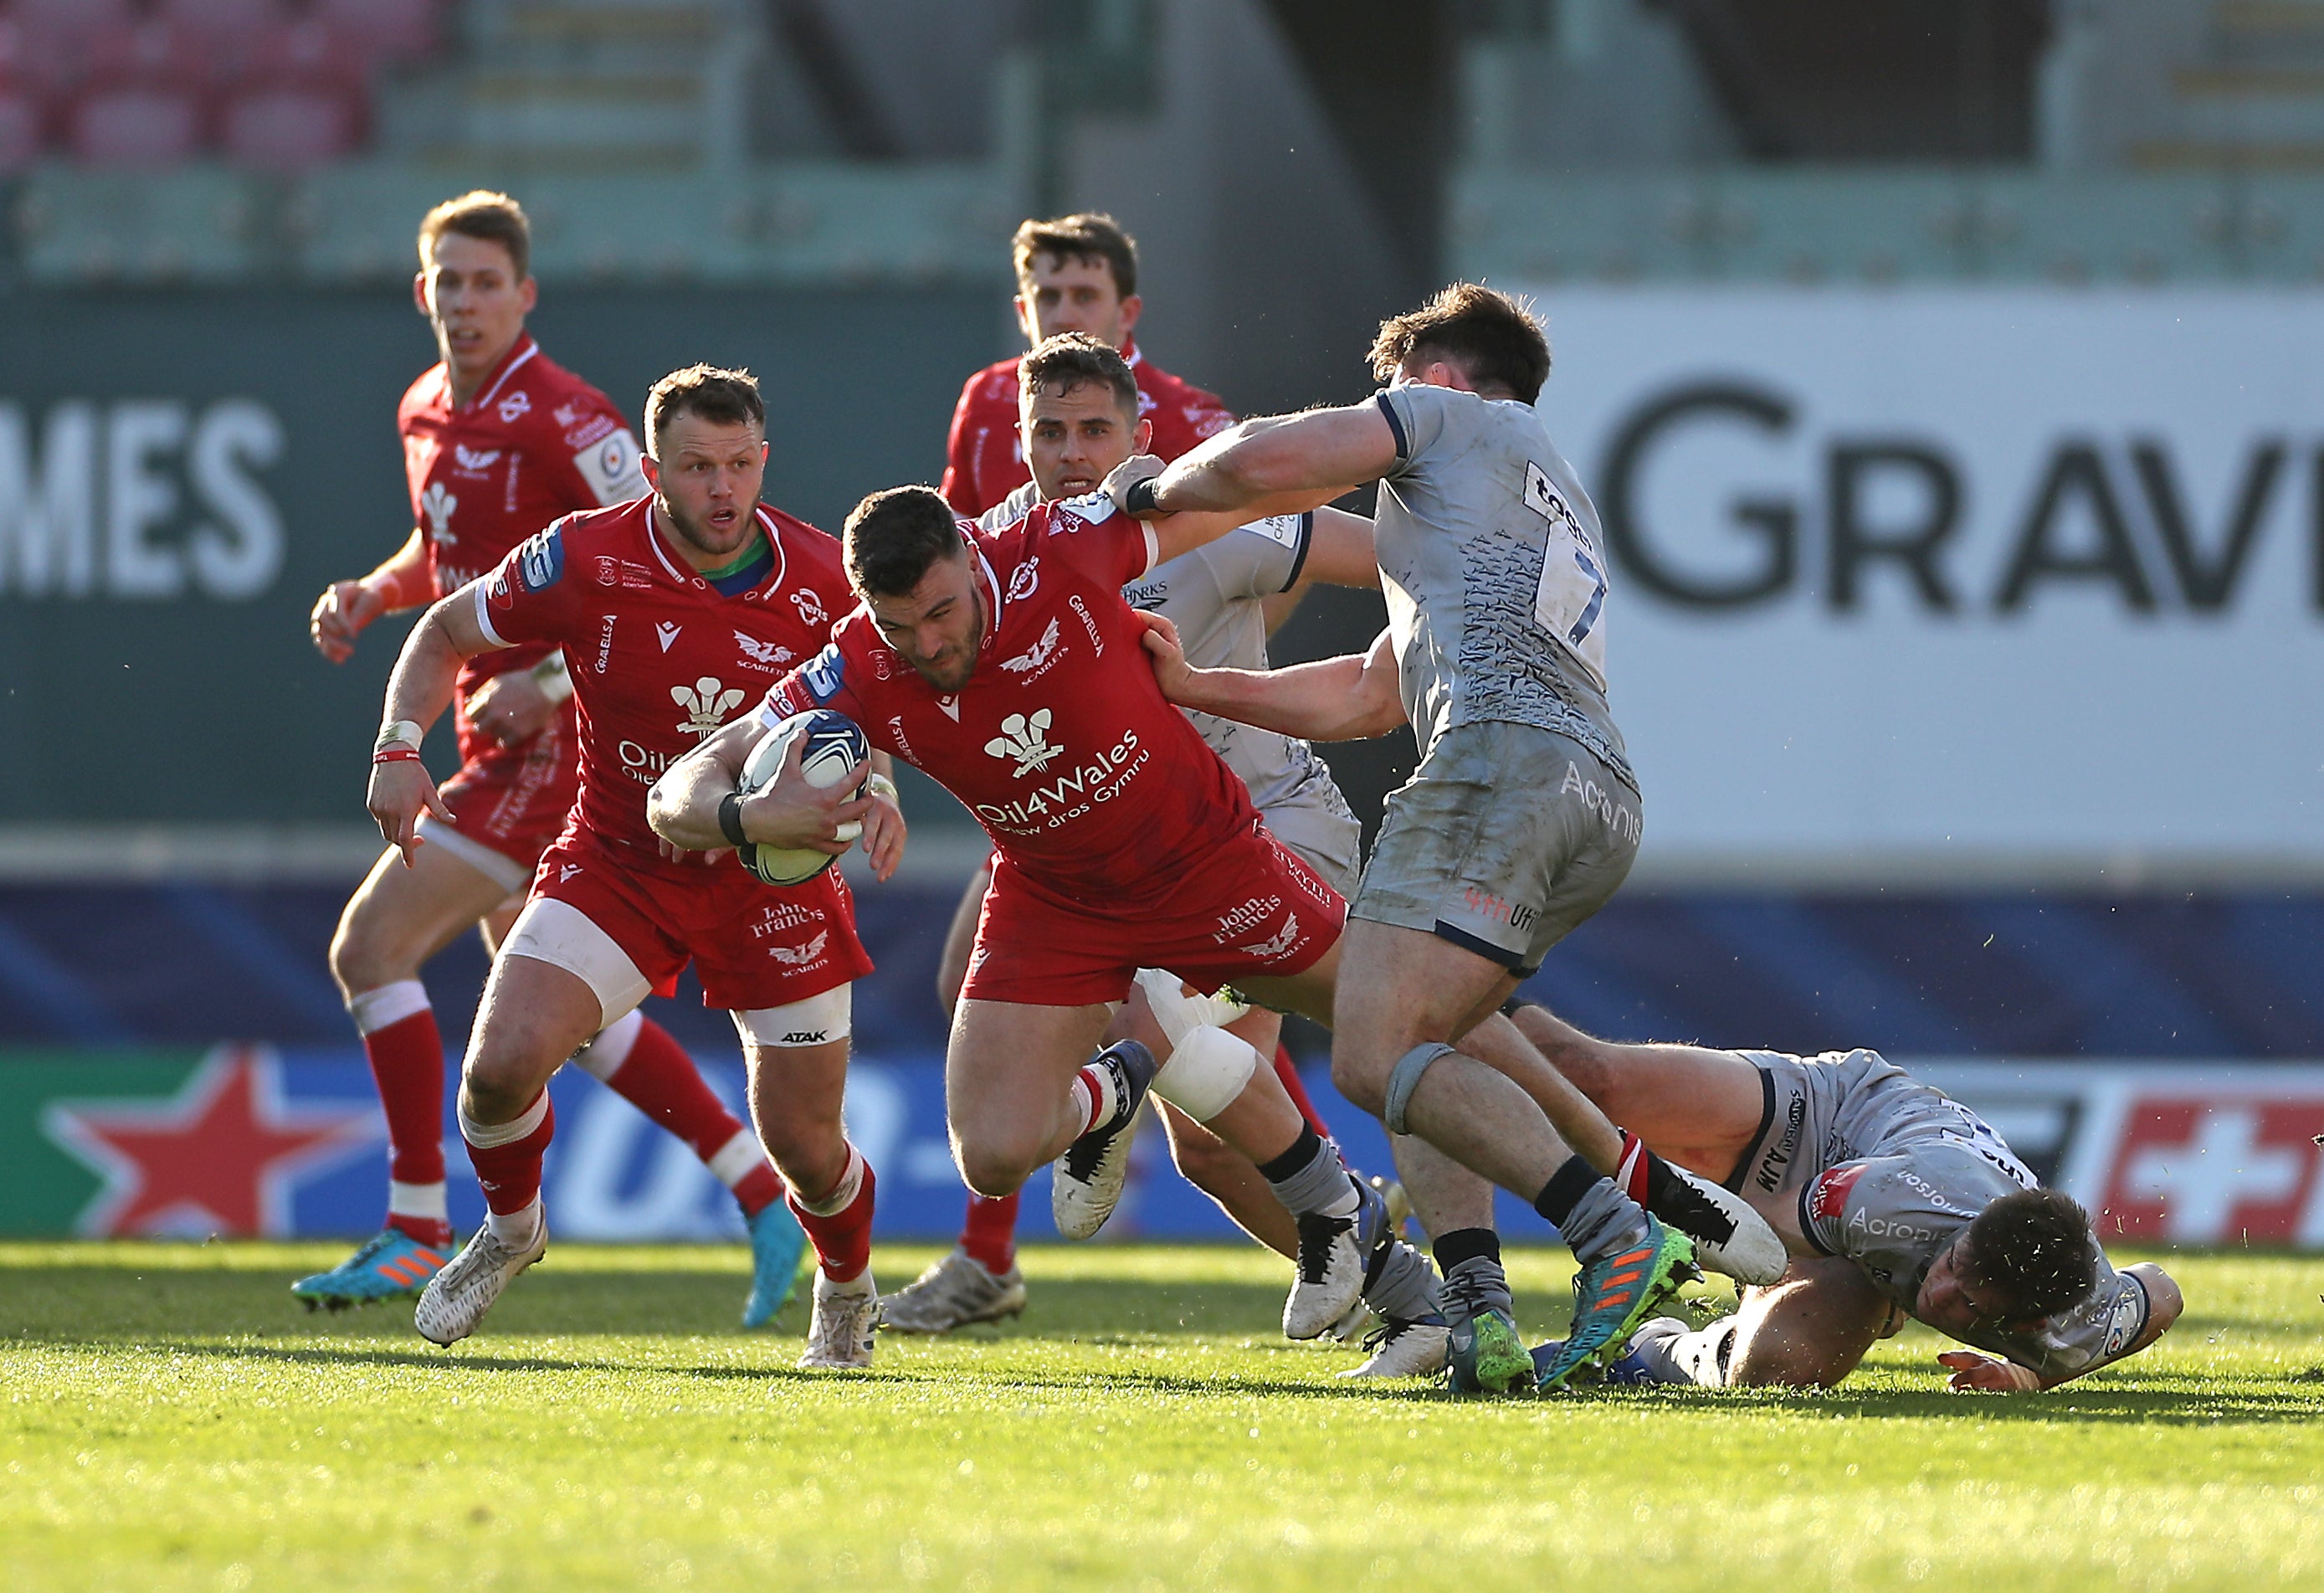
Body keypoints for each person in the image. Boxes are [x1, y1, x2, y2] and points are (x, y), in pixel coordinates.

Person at [651, 473, 1781, 1394]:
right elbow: (680, 788)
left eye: (945, 613)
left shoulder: (1067, 546)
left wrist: (1449, 534)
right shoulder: (857, 663)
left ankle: (1605, 1220)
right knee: (991, 1149)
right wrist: (750, 813)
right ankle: (1146, 1064)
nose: (934, 643)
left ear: (970, 563)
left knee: (1400, 1031)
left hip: (1211, 864)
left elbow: (1249, 492)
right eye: (906, 625)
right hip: (1052, 899)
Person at [1117, 281, 1788, 1390]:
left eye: (1395, 390)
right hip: (1595, 796)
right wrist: (1197, 685)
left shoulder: (1451, 418)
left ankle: (1616, 1232)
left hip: (1492, 768)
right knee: (1429, 1045)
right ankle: (1476, 1305)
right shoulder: (1540, 495)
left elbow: (1256, 464)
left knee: (1375, 1051)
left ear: (1431, 379)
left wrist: (1153, 493)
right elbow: (1370, 695)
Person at [880, 334, 1449, 1377]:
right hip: (1145, 863)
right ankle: (1416, 1304)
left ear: (1141, 436)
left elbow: (1391, 561)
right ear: (1019, 441)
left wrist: (1470, 614)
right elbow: (881, 675)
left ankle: (1602, 1211)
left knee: (1410, 1036)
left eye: (1095, 429)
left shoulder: (1191, 525)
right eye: (1048, 432)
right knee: (1212, 1149)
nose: (1072, 452)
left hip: (1275, 827)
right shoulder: (987, 566)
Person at [300, 192, 808, 1324]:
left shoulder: (566, 415)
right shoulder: (423, 406)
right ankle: (763, 1193)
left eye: (488, 283)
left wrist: (550, 680)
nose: (466, 301)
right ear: (420, 290)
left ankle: (416, 1219)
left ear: (525, 294)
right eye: (450, 281)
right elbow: (444, 552)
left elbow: (660, 552)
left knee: (372, 943)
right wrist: (377, 592)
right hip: (486, 715)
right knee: (553, 1004)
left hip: (552, 735)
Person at [364, 366, 904, 1369]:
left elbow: (875, 703)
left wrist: (878, 787)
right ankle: (513, 1232)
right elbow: (443, 629)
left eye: (739, 465)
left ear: (763, 462)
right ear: (650, 471)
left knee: (807, 1150)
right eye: (696, 468)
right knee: (495, 1072)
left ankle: (846, 1286)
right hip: (621, 863)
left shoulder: (828, 579)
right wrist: (400, 747)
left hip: (771, 882)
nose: (721, 490)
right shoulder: (583, 555)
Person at [1501, 1003, 2185, 1392]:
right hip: (1837, 1113)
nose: (1941, 1298)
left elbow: (2159, 1291)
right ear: (1967, 1234)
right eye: (1949, 1266)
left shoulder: (2072, 1328)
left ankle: (1658, 1350)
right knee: (1587, 1074)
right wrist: (1657, 1246)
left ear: (2028, 1325)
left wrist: (2028, 1378)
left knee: (1774, 1374)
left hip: (1863, 1237)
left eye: (1969, 1307)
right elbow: (1746, 1232)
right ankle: (1445, 981)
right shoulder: (1889, 1202)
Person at [939, 212, 1233, 522]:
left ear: (1127, 313)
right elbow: (960, 531)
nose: (1064, 315)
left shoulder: (1187, 415)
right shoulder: (986, 395)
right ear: (1023, 312)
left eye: (1085, 296)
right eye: (1048, 297)